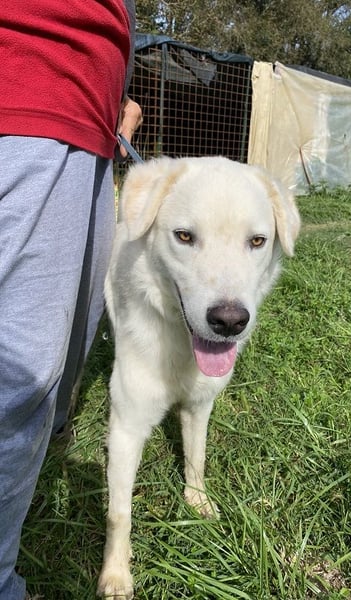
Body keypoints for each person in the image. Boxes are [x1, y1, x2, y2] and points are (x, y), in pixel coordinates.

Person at [0, 2, 143, 598]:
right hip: (32, 88)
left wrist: (117, 94)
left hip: (90, 122)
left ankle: (51, 440)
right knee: (19, 377)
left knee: (79, 328)